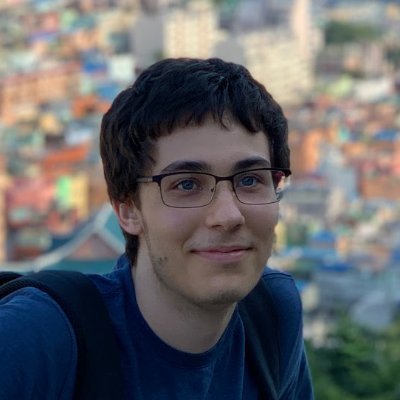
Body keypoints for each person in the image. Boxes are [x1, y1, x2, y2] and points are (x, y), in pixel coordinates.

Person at [0, 57, 313, 399]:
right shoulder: (38, 337)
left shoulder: (272, 315)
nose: (228, 215)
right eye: (186, 184)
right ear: (128, 209)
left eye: (250, 179)